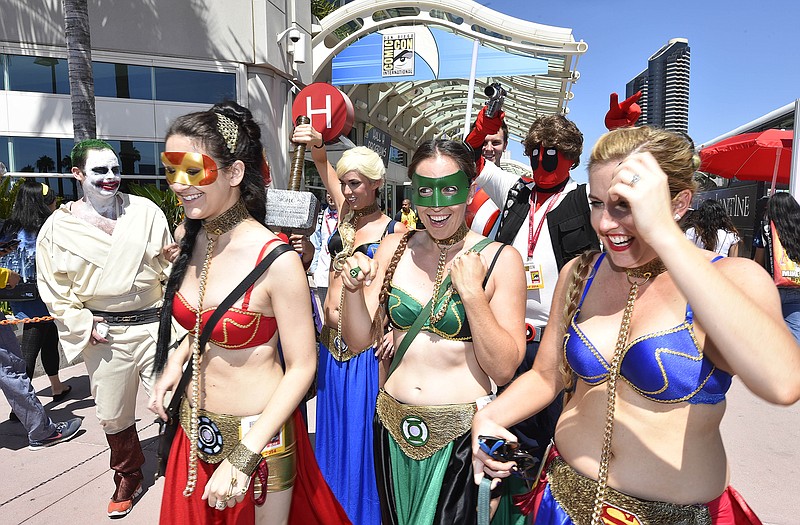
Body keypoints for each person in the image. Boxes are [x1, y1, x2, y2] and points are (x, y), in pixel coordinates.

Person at [472, 126, 800, 524]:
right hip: (561, 505)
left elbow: (783, 383)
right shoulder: (581, 271)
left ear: (679, 203)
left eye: (625, 205)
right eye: (596, 203)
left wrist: (665, 236)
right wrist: (490, 416)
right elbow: (546, 377)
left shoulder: (733, 277)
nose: (605, 224)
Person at [150, 102, 348, 524]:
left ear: (235, 173)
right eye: (172, 169)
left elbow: (302, 366)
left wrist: (244, 455)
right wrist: (176, 359)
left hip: (259, 445)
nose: (180, 184)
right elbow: (206, 319)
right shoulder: (192, 238)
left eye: (194, 169)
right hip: (192, 431)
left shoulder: (276, 259)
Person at [340, 139, 526, 525]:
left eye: (450, 189)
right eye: (425, 191)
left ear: (470, 189)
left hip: (459, 437)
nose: (437, 205)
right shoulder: (392, 247)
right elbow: (357, 341)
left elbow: (505, 368)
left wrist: (472, 295)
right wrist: (353, 292)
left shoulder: (500, 259)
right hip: (392, 428)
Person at [36, 139, 174, 518]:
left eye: (115, 169)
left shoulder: (145, 212)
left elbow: (167, 267)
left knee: (175, 400)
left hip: (156, 327)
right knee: (113, 413)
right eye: (99, 171)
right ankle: (128, 474)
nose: (110, 177)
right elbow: (55, 291)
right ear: (77, 174)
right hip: (104, 334)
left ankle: (177, 464)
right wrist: (83, 324)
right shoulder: (55, 229)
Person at [290, 124, 406, 525]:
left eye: (355, 183)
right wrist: (315, 142)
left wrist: (400, 329)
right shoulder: (345, 216)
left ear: (376, 184)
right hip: (329, 345)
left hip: (365, 354)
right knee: (332, 433)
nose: (348, 190)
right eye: (344, 184)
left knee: (359, 440)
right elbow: (321, 161)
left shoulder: (397, 233)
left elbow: (415, 289)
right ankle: (328, 511)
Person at [474, 113, 599, 463]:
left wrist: (623, 132)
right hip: (507, 336)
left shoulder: (584, 198)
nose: (541, 161)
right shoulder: (515, 191)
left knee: (558, 438)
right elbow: (469, 162)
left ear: (572, 158)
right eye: (535, 152)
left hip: (561, 340)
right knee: (507, 436)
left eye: (552, 153)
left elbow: (624, 180)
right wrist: (479, 132)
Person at [0, 181, 70, 402]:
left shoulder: (8, 228)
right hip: (42, 297)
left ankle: (56, 386)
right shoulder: (48, 228)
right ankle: (22, 404)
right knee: (29, 350)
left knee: (49, 338)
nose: (54, 202)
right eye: (51, 199)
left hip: (16, 294)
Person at [1, 263, 82, 449]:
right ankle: (41, 431)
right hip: (30, 289)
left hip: (31, 292)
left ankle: (56, 387)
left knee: (46, 339)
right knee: (11, 369)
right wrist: (6, 276)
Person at [754, 192, 800, 344]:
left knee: (770, 338)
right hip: (797, 290)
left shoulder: (766, 230)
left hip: (771, 291)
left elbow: (758, 262)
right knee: (795, 340)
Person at [310, 193, 338, 308]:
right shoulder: (320, 216)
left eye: (333, 194)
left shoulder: (347, 216)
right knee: (324, 307)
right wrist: (314, 268)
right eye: (328, 194)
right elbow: (316, 244)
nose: (331, 197)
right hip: (322, 269)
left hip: (338, 268)